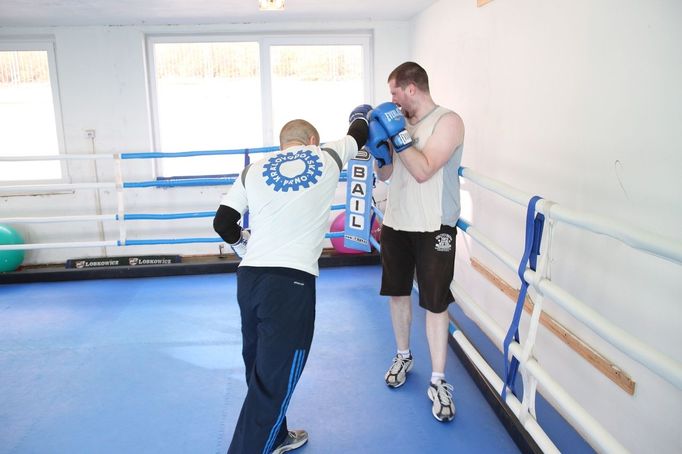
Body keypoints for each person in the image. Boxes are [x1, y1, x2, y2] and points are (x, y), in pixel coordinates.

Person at [213, 105, 371, 453]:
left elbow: (222, 223)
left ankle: (279, 435)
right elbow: (359, 132)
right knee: (275, 382)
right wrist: (363, 114)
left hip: (249, 278)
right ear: (311, 140)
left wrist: (243, 244)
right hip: (291, 281)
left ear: (282, 144)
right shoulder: (326, 155)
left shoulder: (252, 170)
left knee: (260, 370)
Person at [365, 61, 465, 422]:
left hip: (434, 225)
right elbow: (389, 173)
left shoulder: (448, 122)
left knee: (436, 303)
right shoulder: (398, 124)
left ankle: (438, 380)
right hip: (397, 221)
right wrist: (379, 150)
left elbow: (423, 171)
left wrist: (398, 134)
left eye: (394, 92)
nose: (390, 99)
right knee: (397, 293)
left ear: (411, 89)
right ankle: (403, 354)